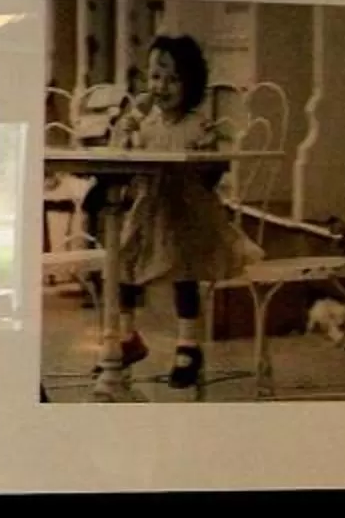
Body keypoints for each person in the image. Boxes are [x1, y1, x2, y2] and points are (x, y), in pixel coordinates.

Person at [93, 32, 253, 392]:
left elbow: (213, 169)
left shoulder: (196, 125)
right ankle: (127, 335)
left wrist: (205, 158)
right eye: (155, 77)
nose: (162, 86)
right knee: (125, 264)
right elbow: (125, 161)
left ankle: (188, 345)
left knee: (184, 272)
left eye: (173, 78)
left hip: (184, 211)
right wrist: (126, 131)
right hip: (148, 208)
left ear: (191, 83)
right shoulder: (146, 126)